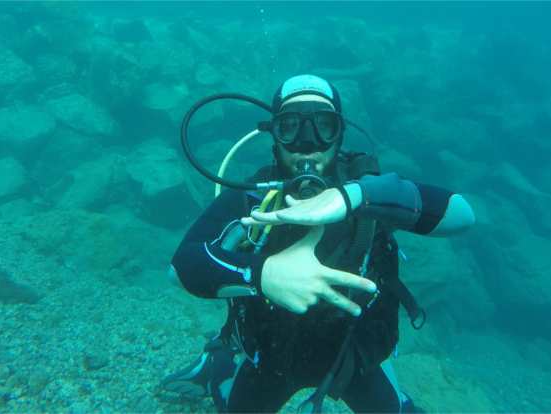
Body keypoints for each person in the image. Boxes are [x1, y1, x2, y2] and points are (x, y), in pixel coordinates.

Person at [163, 74, 475, 413]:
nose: (307, 143)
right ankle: (218, 365)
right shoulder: (254, 201)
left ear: (339, 134)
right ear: (274, 136)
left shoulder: (371, 196)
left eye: (323, 126)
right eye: (290, 127)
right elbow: (181, 267)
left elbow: (462, 214)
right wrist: (263, 274)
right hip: (270, 355)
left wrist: (356, 196)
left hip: (353, 355)